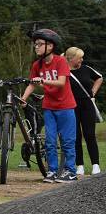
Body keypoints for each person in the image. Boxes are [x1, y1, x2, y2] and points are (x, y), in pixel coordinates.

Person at [21, 29, 77, 183]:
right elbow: (32, 84)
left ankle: (71, 172)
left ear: (50, 46)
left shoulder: (60, 61)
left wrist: (43, 81)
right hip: (49, 107)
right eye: (35, 44)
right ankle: (52, 171)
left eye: (40, 44)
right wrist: (23, 98)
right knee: (50, 141)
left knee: (67, 140)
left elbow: (61, 82)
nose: (36, 47)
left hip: (65, 106)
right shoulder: (37, 65)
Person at [65, 47, 102, 176]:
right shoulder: (64, 72)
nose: (82, 59)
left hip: (87, 105)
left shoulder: (86, 68)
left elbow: (99, 78)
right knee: (75, 136)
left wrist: (93, 92)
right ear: (71, 58)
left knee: (89, 134)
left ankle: (95, 165)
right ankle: (79, 165)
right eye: (79, 57)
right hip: (71, 106)